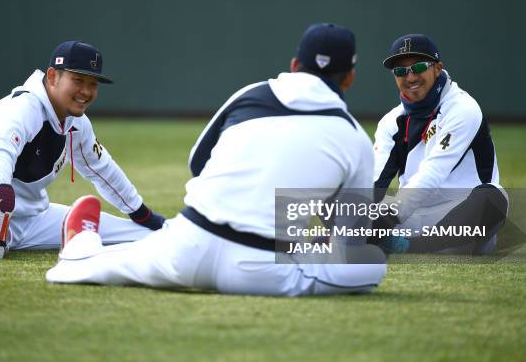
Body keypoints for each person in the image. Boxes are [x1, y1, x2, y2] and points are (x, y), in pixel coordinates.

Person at [45, 23, 387, 296]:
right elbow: (349, 239)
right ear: (350, 77)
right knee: (371, 263)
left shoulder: (250, 94)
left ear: (295, 65)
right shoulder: (355, 137)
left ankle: (80, 247)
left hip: (185, 246)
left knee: (90, 264)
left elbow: (198, 162)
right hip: (260, 270)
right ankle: (85, 248)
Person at [0, 40, 165, 259]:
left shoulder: (76, 123)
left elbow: (103, 169)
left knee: (140, 233)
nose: (86, 91)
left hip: (33, 219)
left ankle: (171, 232)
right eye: (78, 80)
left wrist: (142, 215)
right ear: (52, 76)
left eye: (93, 84)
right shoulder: (23, 107)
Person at [371, 34, 508, 254]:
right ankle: (385, 243)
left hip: (460, 222)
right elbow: (375, 181)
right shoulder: (391, 122)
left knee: (493, 198)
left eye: (418, 67)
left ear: (437, 68)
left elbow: (433, 172)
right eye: (400, 71)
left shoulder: (463, 107)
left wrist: (386, 218)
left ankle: (408, 249)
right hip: (411, 218)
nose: (410, 76)